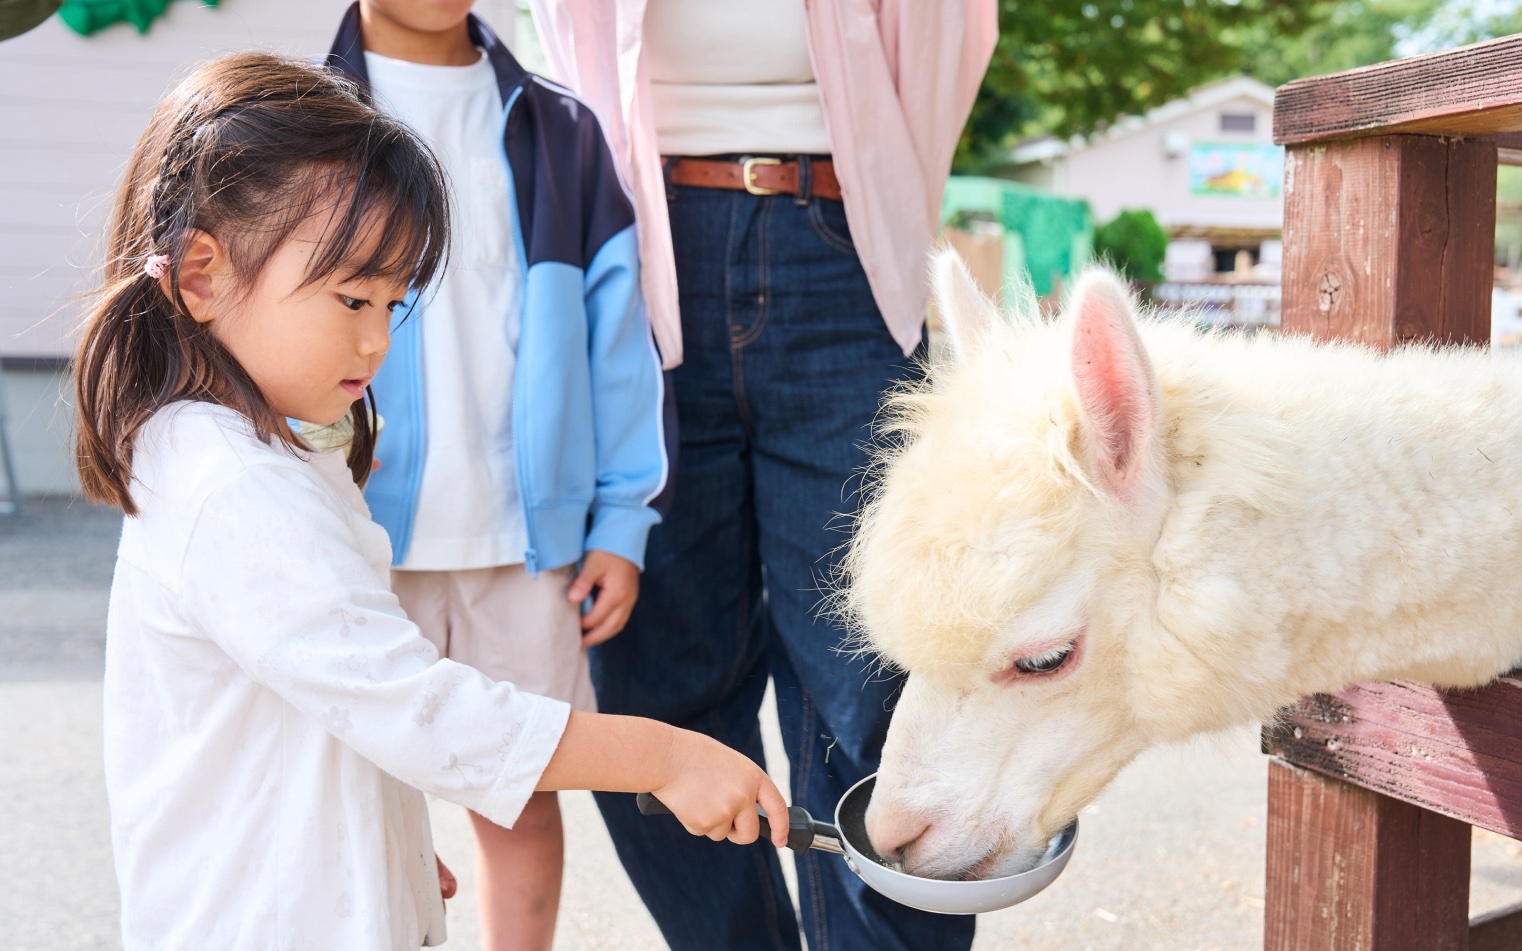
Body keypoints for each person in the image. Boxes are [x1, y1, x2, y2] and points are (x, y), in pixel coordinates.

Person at [74, 52, 786, 951]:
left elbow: (331, 696)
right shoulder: (232, 485)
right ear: (204, 274)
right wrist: (663, 753)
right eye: (351, 298)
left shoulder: (260, 450)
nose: (377, 340)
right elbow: (416, 705)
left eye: (393, 303)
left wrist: (385, 838)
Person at [528, 1, 997, 948]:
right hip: (640, 246)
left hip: (840, 241)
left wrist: (892, 212)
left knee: (874, 682)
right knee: (657, 680)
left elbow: (949, 40)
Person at [322, 3, 671, 946]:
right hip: (350, 537)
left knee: (516, 797)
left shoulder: (559, 128)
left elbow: (616, 342)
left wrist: (619, 520)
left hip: (526, 545)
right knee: (349, 804)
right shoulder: (304, 118)